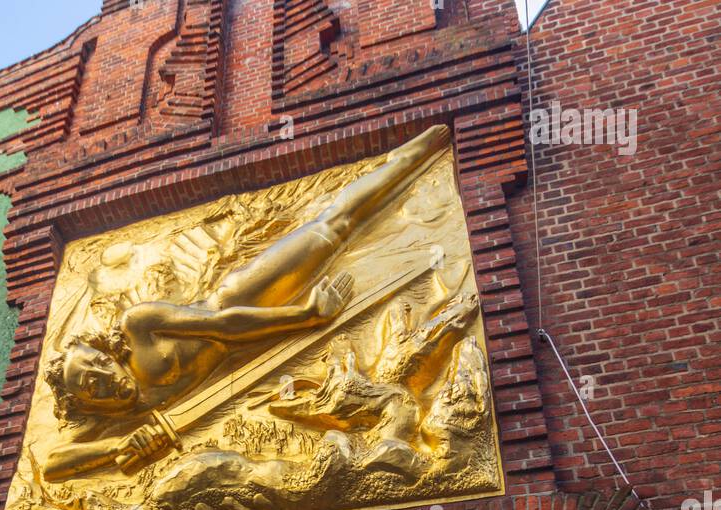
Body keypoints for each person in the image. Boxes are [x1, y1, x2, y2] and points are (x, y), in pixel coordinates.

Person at [42, 124, 450, 479]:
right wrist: (116, 448)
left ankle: (415, 153)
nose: (105, 377)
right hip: (252, 351)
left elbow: (223, 326)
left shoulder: (139, 324)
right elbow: (53, 463)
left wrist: (305, 316)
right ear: (83, 402)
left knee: (332, 227)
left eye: (98, 364)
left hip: (246, 298)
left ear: (106, 352)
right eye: (92, 384)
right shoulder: (115, 416)